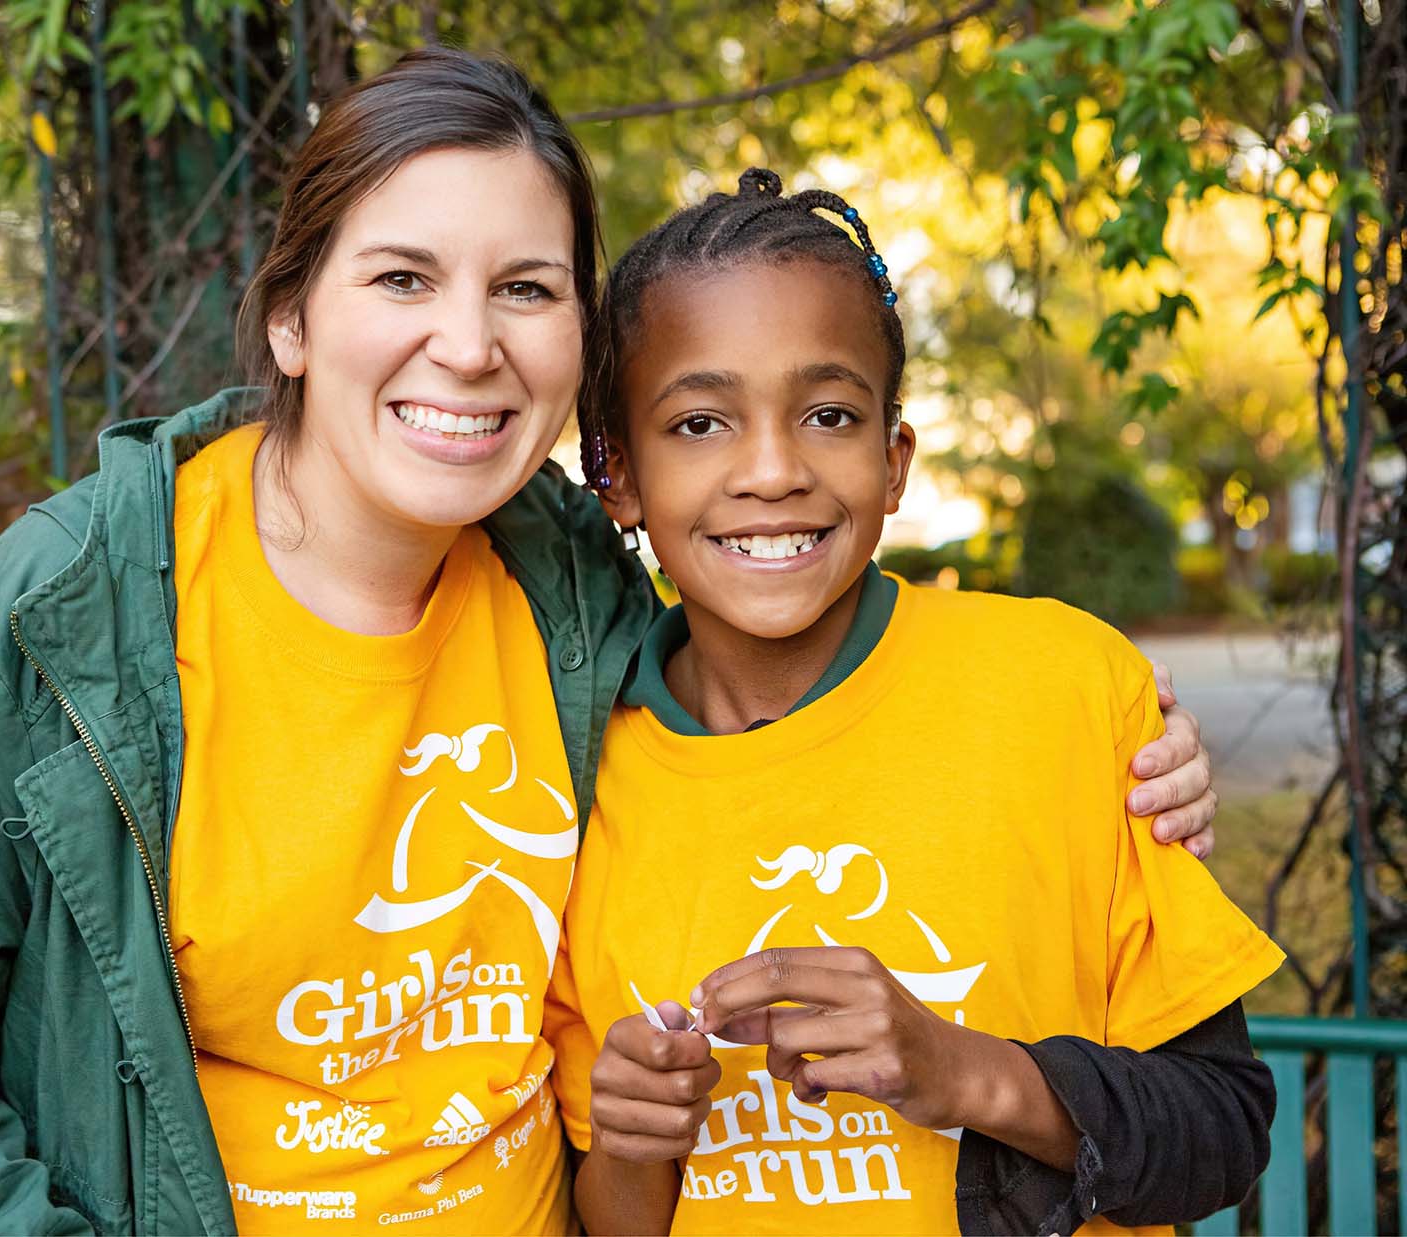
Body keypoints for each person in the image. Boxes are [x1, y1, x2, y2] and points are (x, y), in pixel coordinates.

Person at [0, 53, 1222, 1235]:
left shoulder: (570, 584)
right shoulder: (72, 611)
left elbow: (794, 691)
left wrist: (1117, 736)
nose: (470, 343)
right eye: (403, 279)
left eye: (524, 289)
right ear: (289, 319)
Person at [546, 169, 1281, 1236]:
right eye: (700, 422)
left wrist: (963, 1072)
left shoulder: (1066, 688)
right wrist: (631, 1134)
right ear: (616, 474)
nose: (771, 470)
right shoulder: (576, 786)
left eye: (829, 413)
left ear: (894, 461)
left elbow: (1220, 1132)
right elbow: (621, 1220)